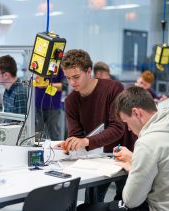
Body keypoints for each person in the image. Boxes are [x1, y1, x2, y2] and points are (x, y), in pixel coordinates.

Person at [78, 86, 169, 211]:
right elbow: (167, 164)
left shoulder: (147, 142)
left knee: (85, 208)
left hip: (165, 208)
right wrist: (136, 161)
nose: (129, 129)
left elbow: (131, 201)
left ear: (136, 113)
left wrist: (134, 168)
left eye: (127, 123)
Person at [58, 49, 136, 203]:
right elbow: (76, 134)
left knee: (125, 202)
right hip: (96, 160)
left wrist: (86, 142)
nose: (72, 83)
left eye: (76, 77)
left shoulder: (114, 89)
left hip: (124, 155)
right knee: (92, 203)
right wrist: (72, 143)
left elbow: (117, 128)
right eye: (68, 78)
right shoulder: (71, 101)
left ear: (89, 71)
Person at [35, 69, 64, 141]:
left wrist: (47, 85)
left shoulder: (59, 66)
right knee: (36, 136)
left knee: (54, 136)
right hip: (37, 105)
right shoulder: (39, 62)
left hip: (53, 107)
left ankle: (56, 151)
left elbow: (64, 86)